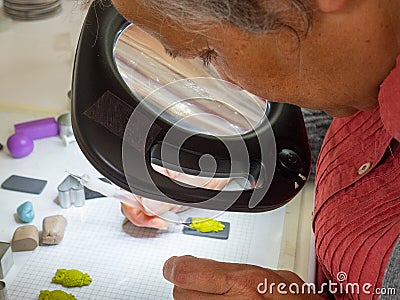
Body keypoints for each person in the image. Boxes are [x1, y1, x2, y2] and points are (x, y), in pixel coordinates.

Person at [110, 0, 400, 298]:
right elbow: (352, 119)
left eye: (210, 52)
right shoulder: (371, 68)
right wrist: (226, 160)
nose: (230, 83)